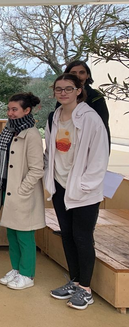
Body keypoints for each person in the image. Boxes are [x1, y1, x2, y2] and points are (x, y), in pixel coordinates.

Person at [45, 73, 108, 310]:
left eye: (68, 89)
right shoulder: (54, 117)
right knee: (68, 235)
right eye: (59, 89)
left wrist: (85, 185)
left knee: (82, 237)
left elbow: (100, 155)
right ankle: (75, 280)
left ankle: (86, 289)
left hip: (83, 189)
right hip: (61, 185)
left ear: (79, 91)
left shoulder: (90, 118)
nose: (63, 93)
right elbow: (51, 152)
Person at [0, 92, 45, 290]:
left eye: (14, 109)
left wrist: (22, 190)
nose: (10, 113)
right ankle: (16, 269)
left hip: (23, 194)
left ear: (27, 110)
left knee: (25, 236)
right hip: (9, 190)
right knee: (13, 234)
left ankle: (27, 274)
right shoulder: (10, 130)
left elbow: (37, 169)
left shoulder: (30, 134)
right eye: (9, 109)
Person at [61, 60, 110, 146]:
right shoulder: (63, 96)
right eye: (73, 73)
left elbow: (103, 126)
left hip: (89, 145)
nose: (77, 76)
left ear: (87, 75)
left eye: (81, 72)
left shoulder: (96, 96)